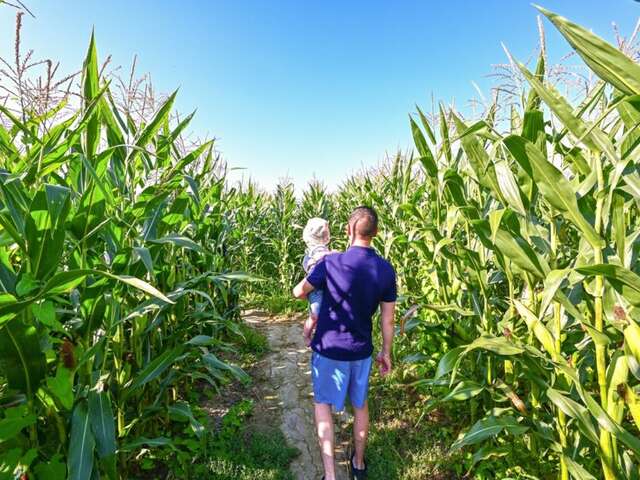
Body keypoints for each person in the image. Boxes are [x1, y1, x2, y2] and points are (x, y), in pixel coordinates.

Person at [292, 206, 397, 480]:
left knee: (322, 404)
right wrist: (386, 353)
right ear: (374, 233)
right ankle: (359, 464)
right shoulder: (386, 270)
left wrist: (306, 293)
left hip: (328, 348)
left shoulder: (331, 262)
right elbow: (388, 321)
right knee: (360, 405)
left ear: (349, 230)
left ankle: (330, 475)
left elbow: (299, 292)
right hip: (361, 351)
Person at [301, 217, 333, 346]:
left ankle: (320, 335)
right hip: (315, 289)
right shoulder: (313, 252)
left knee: (325, 315)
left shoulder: (323, 249)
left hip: (325, 285)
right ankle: (306, 335)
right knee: (315, 315)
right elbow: (317, 260)